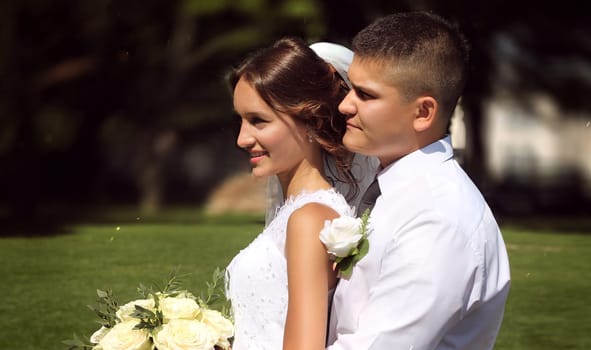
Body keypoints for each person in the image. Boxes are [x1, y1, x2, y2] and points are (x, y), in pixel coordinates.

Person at [326, 12, 511, 350]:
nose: (344, 105)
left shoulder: (438, 219)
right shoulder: (398, 193)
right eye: (351, 88)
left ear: (423, 113)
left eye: (365, 95)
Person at [225, 37, 370, 350]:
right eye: (241, 120)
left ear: (310, 121)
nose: (242, 138)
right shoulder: (298, 213)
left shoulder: (310, 218)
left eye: (258, 121)